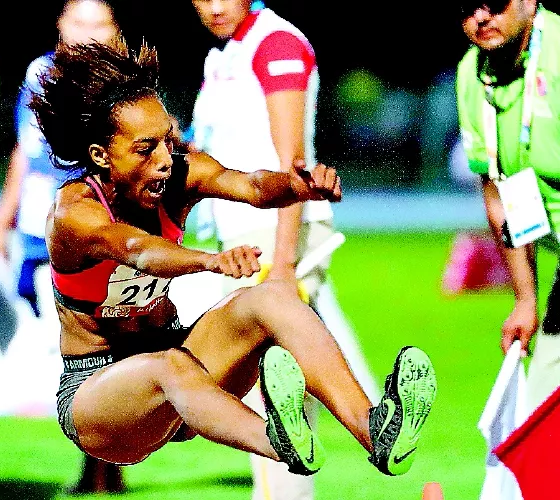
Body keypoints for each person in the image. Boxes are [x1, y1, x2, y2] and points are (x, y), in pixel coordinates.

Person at [28, 37, 437, 481]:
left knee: (271, 299)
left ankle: (375, 431)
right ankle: (279, 442)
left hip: (182, 376)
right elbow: (136, 250)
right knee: (170, 365)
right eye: (147, 149)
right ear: (101, 156)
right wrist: (209, 261)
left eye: (167, 140)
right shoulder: (75, 213)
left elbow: (252, 186)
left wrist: (299, 186)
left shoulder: (177, 174)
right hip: (99, 399)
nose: (167, 159)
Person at [187, 1, 380, 497]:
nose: (210, 7)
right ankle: (384, 420)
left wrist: (283, 265)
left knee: (275, 392)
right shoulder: (223, 55)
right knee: (301, 372)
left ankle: (374, 427)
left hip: (277, 240)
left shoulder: (276, 43)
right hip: (243, 244)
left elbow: (291, 163)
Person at [0, 0, 126, 494]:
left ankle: (103, 464)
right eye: (78, 23)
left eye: (98, 25)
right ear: (60, 26)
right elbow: (26, 148)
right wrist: (2, 219)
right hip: (39, 232)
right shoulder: (40, 72)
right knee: (72, 353)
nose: (87, 34)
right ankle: (103, 458)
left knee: (100, 348)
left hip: (94, 228)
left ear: (114, 31)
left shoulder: (123, 84)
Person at [455, 0, 560, 411]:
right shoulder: (471, 76)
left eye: (494, 4)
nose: (482, 18)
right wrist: (525, 299)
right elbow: (500, 194)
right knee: (540, 412)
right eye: (468, 8)